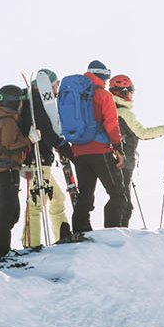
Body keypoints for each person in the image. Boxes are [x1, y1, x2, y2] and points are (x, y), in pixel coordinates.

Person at [57, 61, 128, 237]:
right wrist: (118, 148)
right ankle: (112, 232)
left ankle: (80, 231)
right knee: (117, 193)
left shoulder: (77, 94)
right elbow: (111, 124)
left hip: (79, 152)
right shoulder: (103, 95)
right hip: (100, 151)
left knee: (85, 196)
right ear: (103, 76)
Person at [105, 74, 164, 228]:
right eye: (130, 91)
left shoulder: (109, 110)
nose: (131, 95)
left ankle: (116, 232)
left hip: (111, 161)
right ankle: (119, 235)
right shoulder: (124, 113)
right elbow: (143, 133)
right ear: (123, 92)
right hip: (124, 161)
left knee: (119, 199)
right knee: (124, 204)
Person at [19, 70, 71, 247]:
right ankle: (31, 244)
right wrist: (60, 145)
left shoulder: (28, 101)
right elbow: (44, 127)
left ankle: (59, 237)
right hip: (37, 159)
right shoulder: (36, 102)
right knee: (36, 203)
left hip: (38, 159)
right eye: (56, 85)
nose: (57, 91)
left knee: (57, 198)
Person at [0, 84, 33, 258]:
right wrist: (29, 140)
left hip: (0, 172)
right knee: (8, 212)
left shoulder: (1, 119)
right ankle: (2, 250)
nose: (21, 105)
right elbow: (8, 148)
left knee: (11, 213)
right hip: (6, 171)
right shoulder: (8, 122)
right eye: (20, 102)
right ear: (13, 103)